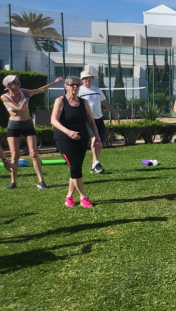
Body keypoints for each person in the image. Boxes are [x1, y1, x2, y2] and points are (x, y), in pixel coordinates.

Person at [3, 74, 63, 190]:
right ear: (9, 85)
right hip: (14, 125)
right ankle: (13, 182)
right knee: (15, 155)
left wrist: (54, 83)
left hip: (27, 124)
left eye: (18, 81)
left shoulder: (23, 91)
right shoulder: (5, 97)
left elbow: (40, 90)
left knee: (34, 153)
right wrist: (27, 97)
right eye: (16, 82)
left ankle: (41, 181)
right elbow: (19, 108)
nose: (19, 84)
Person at [51, 76, 102, 208]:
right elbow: (53, 120)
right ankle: (83, 197)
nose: (75, 87)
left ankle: (69, 197)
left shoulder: (84, 102)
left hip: (82, 138)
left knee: (76, 168)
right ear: (65, 87)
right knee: (75, 167)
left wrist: (97, 138)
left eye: (77, 84)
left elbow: (91, 122)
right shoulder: (60, 101)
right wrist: (68, 132)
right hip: (64, 138)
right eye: (71, 84)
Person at [78, 70, 120, 173]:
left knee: (99, 141)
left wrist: (113, 113)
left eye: (89, 77)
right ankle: (96, 162)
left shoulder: (97, 90)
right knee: (95, 139)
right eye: (85, 78)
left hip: (99, 119)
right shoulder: (79, 91)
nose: (87, 80)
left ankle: (94, 165)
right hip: (87, 119)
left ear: (92, 78)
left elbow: (105, 103)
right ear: (82, 80)